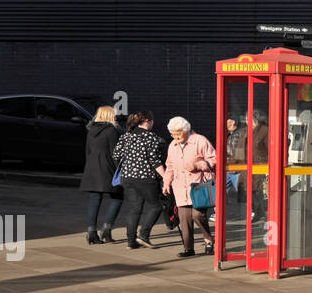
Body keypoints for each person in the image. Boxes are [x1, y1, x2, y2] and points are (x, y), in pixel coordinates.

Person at [164, 116, 217, 258]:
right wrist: (166, 182)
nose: (175, 136)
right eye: (172, 134)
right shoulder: (172, 145)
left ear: (186, 130)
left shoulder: (200, 140)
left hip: (198, 185)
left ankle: (209, 240)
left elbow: (214, 159)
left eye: (178, 133)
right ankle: (188, 248)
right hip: (180, 186)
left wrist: (197, 165)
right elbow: (169, 166)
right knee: (184, 218)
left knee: (198, 215)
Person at [114, 111, 168, 248]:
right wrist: (166, 177)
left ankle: (131, 241)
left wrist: (128, 167)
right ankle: (144, 235)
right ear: (147, 121)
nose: (153, 123)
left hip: (127, 177)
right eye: (152, 120)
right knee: (156, 206)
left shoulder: (126, 136)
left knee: (134, 208)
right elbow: (155, 161)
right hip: (145, 178)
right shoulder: (150, 137)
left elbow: (116, 155)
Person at [80, 105, 123, 244]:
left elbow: (87, 151)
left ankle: (91, 232)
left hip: (92, 168)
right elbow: (115, 154)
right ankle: (107, 229)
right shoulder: (112, 131)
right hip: (107, 169)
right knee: (118, 197)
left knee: (94, 200)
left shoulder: (90, 130)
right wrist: (121, 172)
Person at [225, 114, 247, 203]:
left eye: (227, 120)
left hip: (235, 169)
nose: (225, 123)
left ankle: (249, 210)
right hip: (231, 169)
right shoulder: (231, 135)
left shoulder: (237, 135)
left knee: (241, 192)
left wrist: (229, 162)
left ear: (233, 122)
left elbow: (237, 153)